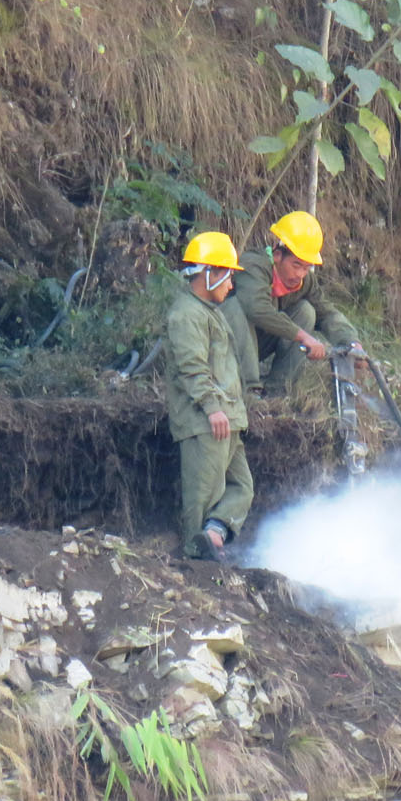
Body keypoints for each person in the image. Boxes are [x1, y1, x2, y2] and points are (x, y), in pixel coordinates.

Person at [166, 231, 252, 562]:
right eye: (227, 277)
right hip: (205, 421)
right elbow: (192, 367)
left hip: (227, 419)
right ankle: (194, 562)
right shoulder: (186, 314)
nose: (230, 286)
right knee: (202, 497)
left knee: (242, 488)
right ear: (209, 274)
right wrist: (213, 409)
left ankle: (212, 536)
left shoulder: (210, 312)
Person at [223, 210, 359, 398]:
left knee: (307, 311)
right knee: (235, 306)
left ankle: (278, 392)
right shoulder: (254, 265)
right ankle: (249, 390)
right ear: (277, 255)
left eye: (306, 267)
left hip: (256, 348)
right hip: (222, 349)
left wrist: (352, 343)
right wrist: (303, 336)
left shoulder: (305, 282)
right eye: (296, 265)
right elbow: (257, 309)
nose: (300, 274)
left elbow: (327, 313)